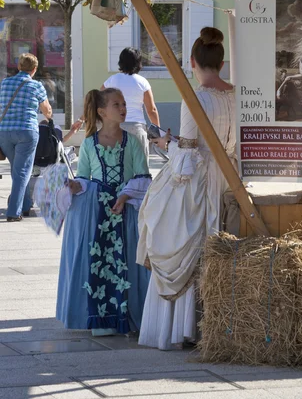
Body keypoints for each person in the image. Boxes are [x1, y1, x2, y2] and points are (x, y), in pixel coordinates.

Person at [137, 27, 235, 350]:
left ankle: (186, 326)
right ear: (221, 63)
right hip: (230, 177)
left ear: (192, 61)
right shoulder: (237, 94)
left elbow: (187, 158)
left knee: (181, 236)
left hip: (202, 182)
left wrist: (167, 142)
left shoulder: (194, 98)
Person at [56, 88, 151, 336]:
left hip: (124, 212)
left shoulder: (132, 141)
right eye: (116, 104)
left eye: (123, 104)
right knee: (95, 261)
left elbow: (143, 177)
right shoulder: (89, 143)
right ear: (101, 111)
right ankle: (101, 320)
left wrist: (125, 195)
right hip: (96, 212)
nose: (122, 108)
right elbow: (85, 178)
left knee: (127, 262)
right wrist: (74, 186)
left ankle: (126, 316)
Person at [0, 53, 52, 222]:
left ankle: (26, 204)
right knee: (22, 171)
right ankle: (14, 212)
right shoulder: (36, 86)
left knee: (18, 169)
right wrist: (47, 117)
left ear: (19, 67)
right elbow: (47, 111)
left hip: (4, 132)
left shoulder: (5, 83)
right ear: (34, 69)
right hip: (26, 132)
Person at [102, 48, 160, 159]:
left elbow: (97, 101)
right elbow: (151, 110)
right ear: (138, 63)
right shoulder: (142, 82)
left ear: (120, 62)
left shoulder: (112, 80)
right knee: (140, 169)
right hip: (136, 127)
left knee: (116, 167)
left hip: (115, 127)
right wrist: (157, 133)